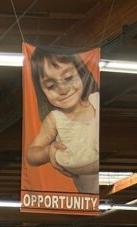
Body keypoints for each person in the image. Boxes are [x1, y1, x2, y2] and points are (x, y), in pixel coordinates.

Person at [26, 48, 100, 194]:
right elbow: (31, 154)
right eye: (51, 86)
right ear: (42, 91)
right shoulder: (56, 119)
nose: (63, 89)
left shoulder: (96, 100)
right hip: (89, 197)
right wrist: (48, 152)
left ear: (81, 73)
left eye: (68, 77)